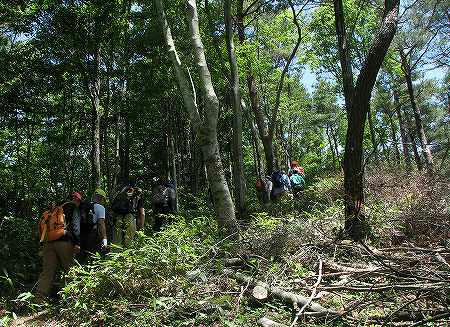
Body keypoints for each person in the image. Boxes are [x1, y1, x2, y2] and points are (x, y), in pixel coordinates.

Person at [35, 193, 81, 302]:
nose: (78, 203)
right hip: (64, 242)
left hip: (48, 242)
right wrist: (77, 242)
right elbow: (75, 226)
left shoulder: (54, 208)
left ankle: (38, 301)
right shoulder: (72, 207)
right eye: (78, 201)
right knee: (70, 269)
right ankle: (73, 299)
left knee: (47, 272)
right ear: (75, 199)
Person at [110, 180, 145, 247]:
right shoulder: (137, 195)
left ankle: (115, 255)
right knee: (129, 243)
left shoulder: (120, 194)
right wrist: (141, 227)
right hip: (130, 218)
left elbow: (112, 209)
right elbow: (142, 213)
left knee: (116, 243)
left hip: (118, 218)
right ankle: (128, 256)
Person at [79, 188, 108, 259]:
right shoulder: (100, 207)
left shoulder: (84, 206)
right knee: (92, 256)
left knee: (81, 256)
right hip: (92, 235)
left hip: (81, 234)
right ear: (101, 198)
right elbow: (101, 223)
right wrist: (104, 238)